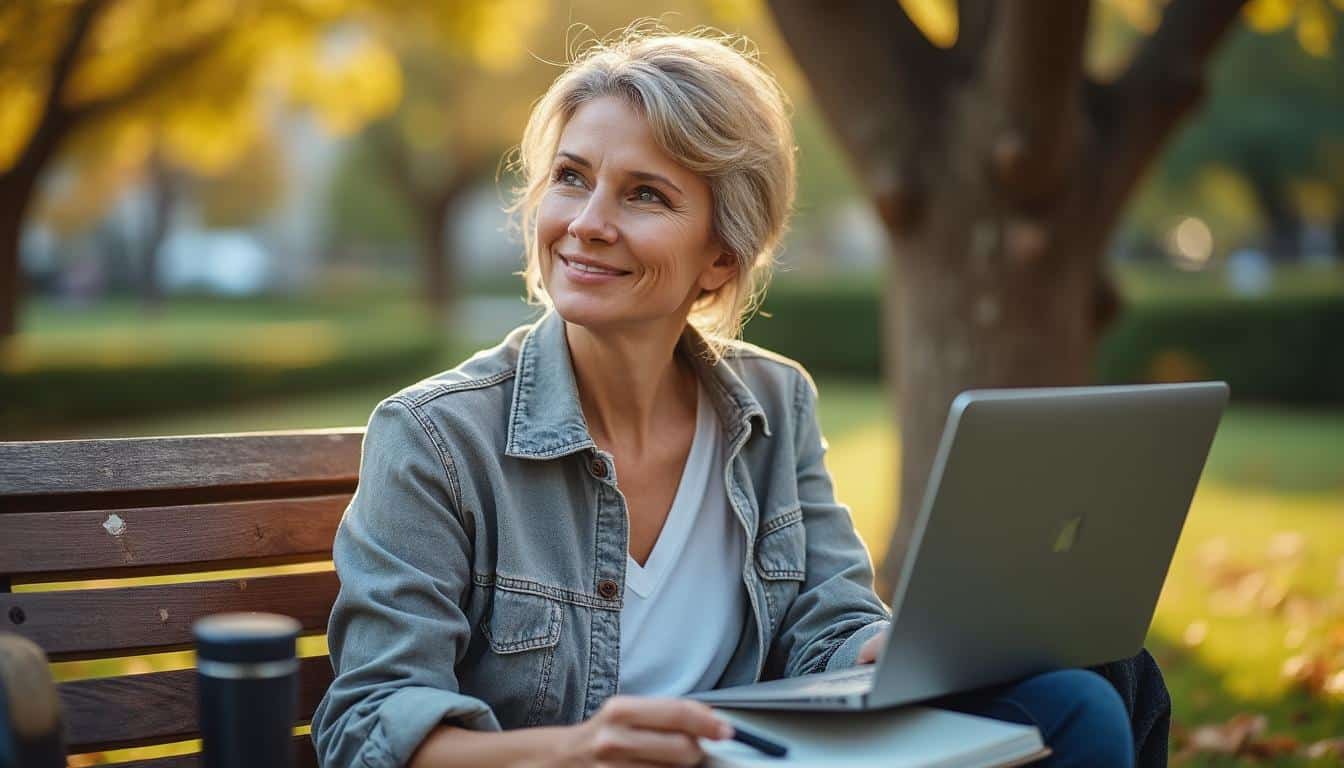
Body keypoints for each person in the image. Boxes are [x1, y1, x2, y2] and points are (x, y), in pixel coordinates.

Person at [310, 24, 1139, 768]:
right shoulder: (435, 439)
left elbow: (828, 617)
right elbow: (369, 724)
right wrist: (578, 752)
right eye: (571, 177)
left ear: (720, 260)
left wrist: (874, 651)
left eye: (644, 194)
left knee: (1085, 698)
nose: (587, 222)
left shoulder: (777, 405)